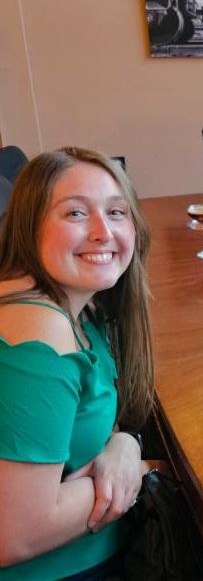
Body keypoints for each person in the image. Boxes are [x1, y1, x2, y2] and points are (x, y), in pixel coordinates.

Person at [0, 148, 154, 579]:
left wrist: (125, 445)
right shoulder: (37, 335)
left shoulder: (79, 307)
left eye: (117, 212)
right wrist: (139, 469)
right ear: (30, 226)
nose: (104, 232)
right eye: (75, 214)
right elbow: (15, 533)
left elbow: (89, 425)